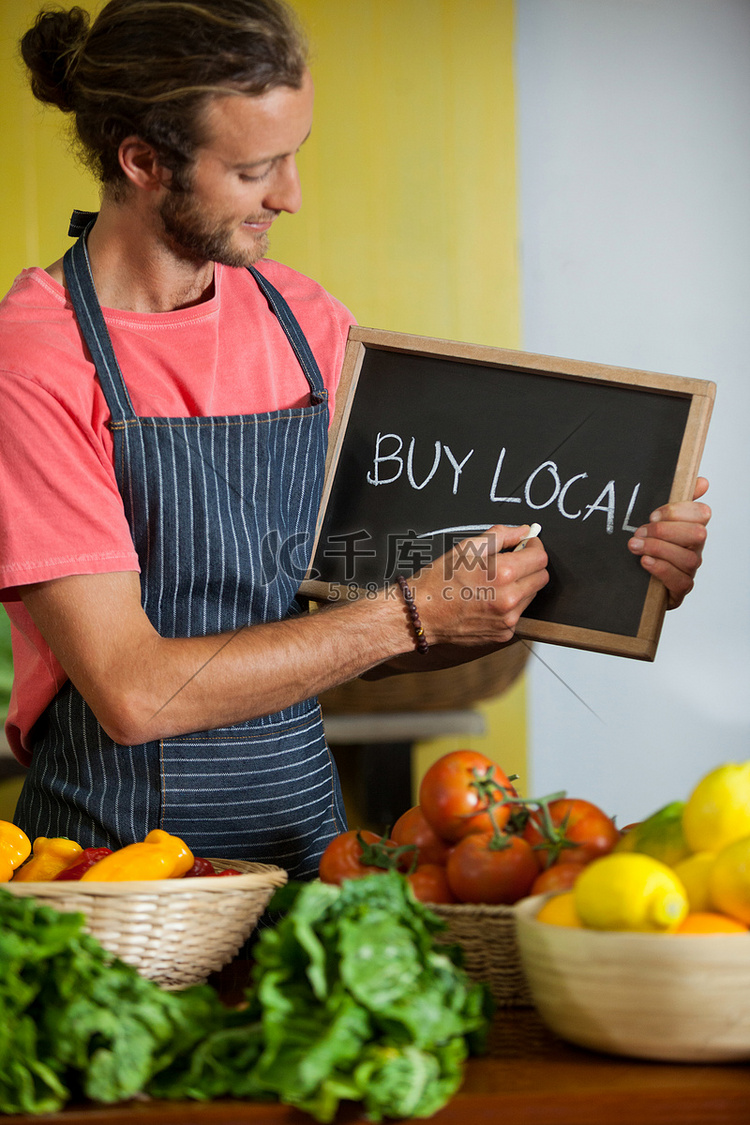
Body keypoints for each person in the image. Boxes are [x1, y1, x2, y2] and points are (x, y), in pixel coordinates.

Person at [0, 0, 710, 880]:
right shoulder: (35, 358)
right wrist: (412, 610)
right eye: (257, 167)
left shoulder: (307, 325)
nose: (292, 195)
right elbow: (133, 691)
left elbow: (358, 629)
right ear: (143, 161)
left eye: (294, 154)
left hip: (311, 851)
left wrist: (612, 574)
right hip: (113, 876)